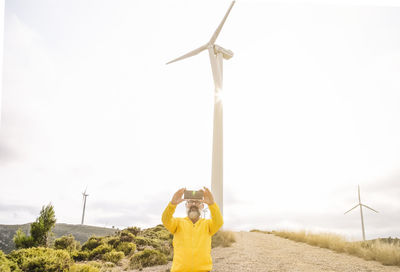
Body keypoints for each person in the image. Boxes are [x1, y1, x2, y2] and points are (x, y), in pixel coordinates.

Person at [161, 186, 223, 272]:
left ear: (202, 206)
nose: (193, 204)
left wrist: (212, 204)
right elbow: (165, 220)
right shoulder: (178, 222)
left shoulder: (208, 224)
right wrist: (172, 204)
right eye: (190, 201)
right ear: (186, 205)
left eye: (197, 202)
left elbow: (219, 222)